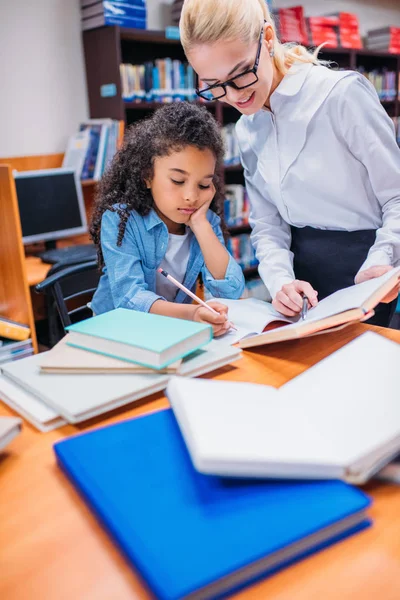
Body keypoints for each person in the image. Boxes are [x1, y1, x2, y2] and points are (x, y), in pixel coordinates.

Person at [180, 0, 400, 327]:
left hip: (368, 269)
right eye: (214, 85)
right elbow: (268, 223)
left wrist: (381, 258)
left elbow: (396, 196)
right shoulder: (247, 127)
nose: (233, 96)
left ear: (268, 38)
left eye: (240, 74)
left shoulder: (340, 96)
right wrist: (280, 281)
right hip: (303, 280)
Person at [90, 102, 245, 336]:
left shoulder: (205, 221)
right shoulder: (121, 220)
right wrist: (192, 315)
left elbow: (232, 291)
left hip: (167, 332)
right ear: (147, 176)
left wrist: (201, 225)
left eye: (203, 184)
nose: (191, 196)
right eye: (177, 181)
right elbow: (130, 298)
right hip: (115, 332)